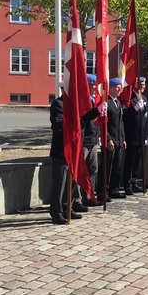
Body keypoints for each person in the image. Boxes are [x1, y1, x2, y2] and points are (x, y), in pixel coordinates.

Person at [49, 88, 87, 223]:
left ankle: (67, 208)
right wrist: (74, 120)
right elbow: (58, 124)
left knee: (72, 182)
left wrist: (95, 111)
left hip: (75, 150)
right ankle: (56, 211)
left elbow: (82, 124)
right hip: (62, 150)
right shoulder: (58, 104)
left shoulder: (76, 106)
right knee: (60, 182)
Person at [97, 77, 127, 202]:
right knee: (106, 168)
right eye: (118, 87)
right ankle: (103, 192)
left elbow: (120, 123)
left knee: (117, 166)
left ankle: (114, 189)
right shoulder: (106, 102)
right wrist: (108, 139)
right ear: (111, 88)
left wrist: (123, 138)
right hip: (110, 140)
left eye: (121, 87)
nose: (120, 89)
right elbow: (103, 124)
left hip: (119, 140)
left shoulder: (118, 103)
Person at [122, 77, 148, 195]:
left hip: (141, 135)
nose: (143, 86)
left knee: (137, 161)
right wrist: (135, 108)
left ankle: (133, 182)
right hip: (131, 135)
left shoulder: (144, 98)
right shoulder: (129, 98)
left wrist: (145, 136)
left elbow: (145, 119)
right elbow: (124, 117)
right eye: (141, 84)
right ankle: (126, 184)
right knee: (130, 161)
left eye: (144, 84)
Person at [80, 74, 101, 206]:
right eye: (93, 85)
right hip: (84, 139)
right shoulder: (82, 100)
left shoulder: (94, 99)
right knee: (80, 171)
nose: (95, 88)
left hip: (93, 139)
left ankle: (88, 196)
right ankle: (77, 199)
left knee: (93, 169)